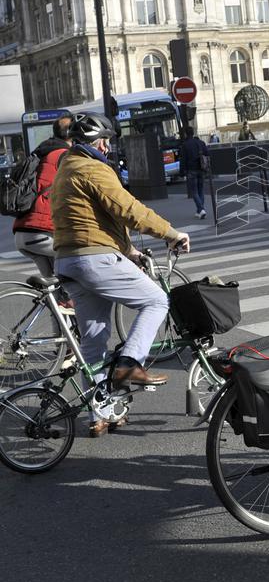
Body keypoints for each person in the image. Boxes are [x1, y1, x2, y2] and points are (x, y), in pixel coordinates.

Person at [50, 113, 191, 437]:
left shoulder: (66, 169)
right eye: (108, 141)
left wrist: (129, 252)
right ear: (99, 142)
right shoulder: (93, 168)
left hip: (70, 260)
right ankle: (129, 364)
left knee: (94, 343)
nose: (109, 146)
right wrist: (170, 233)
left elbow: (98, 219)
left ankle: (100, 414)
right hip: (94, 259)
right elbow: (127, 209)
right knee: (156, 301)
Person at [12, 114, 73, 295]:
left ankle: (65, 318)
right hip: (42, 233)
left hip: (23, 234)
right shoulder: (64, 156)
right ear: (73, 134)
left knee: (56, 294)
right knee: (81, 263)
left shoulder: (42, 151)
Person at [180, 126, 209, 219]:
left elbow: (183, 159)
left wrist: (182, 171)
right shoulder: (201, 143)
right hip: (201, 169)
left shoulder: (185, 145)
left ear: (185, 134)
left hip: (191, 170)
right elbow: (208, 154)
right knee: (201, 190)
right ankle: (199, 211)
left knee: (194, 192)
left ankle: (201, 209)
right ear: (193, 133)